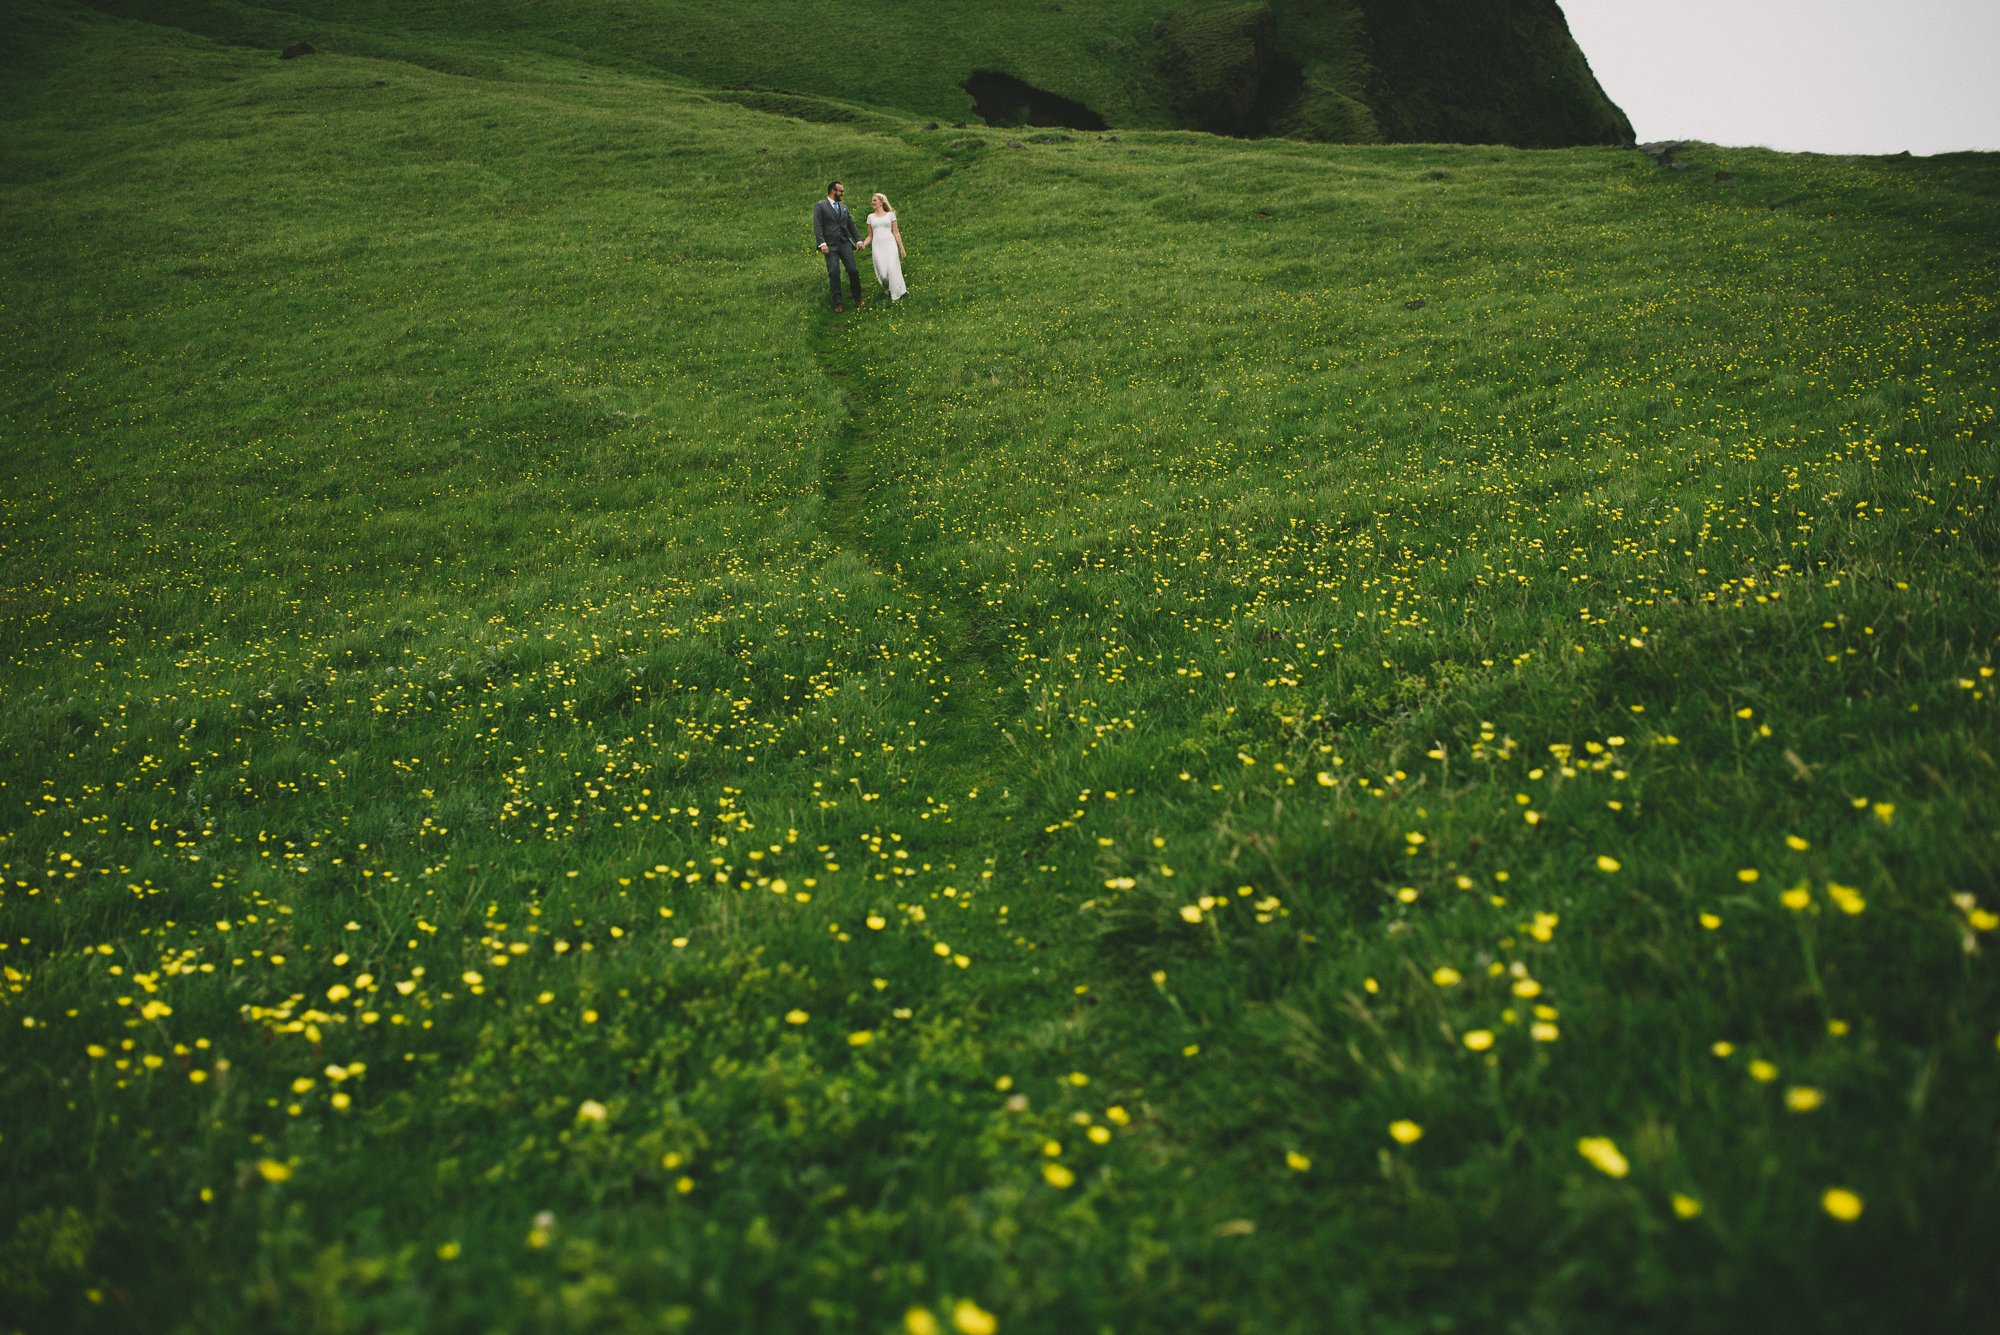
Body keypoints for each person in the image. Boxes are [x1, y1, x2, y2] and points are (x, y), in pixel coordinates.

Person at [813, 180, 863, 312]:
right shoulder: (820, 206)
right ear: (833, 191)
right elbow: (817, 226)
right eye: (841, 191)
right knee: (834, 272)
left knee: (853, 270)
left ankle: (857, 297)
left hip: (845, 244)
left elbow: (851, 224)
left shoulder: (844, 207)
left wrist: (858, 240)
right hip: (830, 246)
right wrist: (822, 243)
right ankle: (838, 302)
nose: (843, 193)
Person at [861, 193, 907, 302]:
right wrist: (863, 244)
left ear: (881, 202)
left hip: (890, 245)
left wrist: (902, 249)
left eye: (874, 200)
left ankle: (896, 295)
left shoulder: (890, 215)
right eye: (872, 201)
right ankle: (887, 288)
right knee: (883, 273)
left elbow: (896, 233)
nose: (872, 202)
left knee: (891, 269)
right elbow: (870, 236)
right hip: (877, 247)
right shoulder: (870, 217)